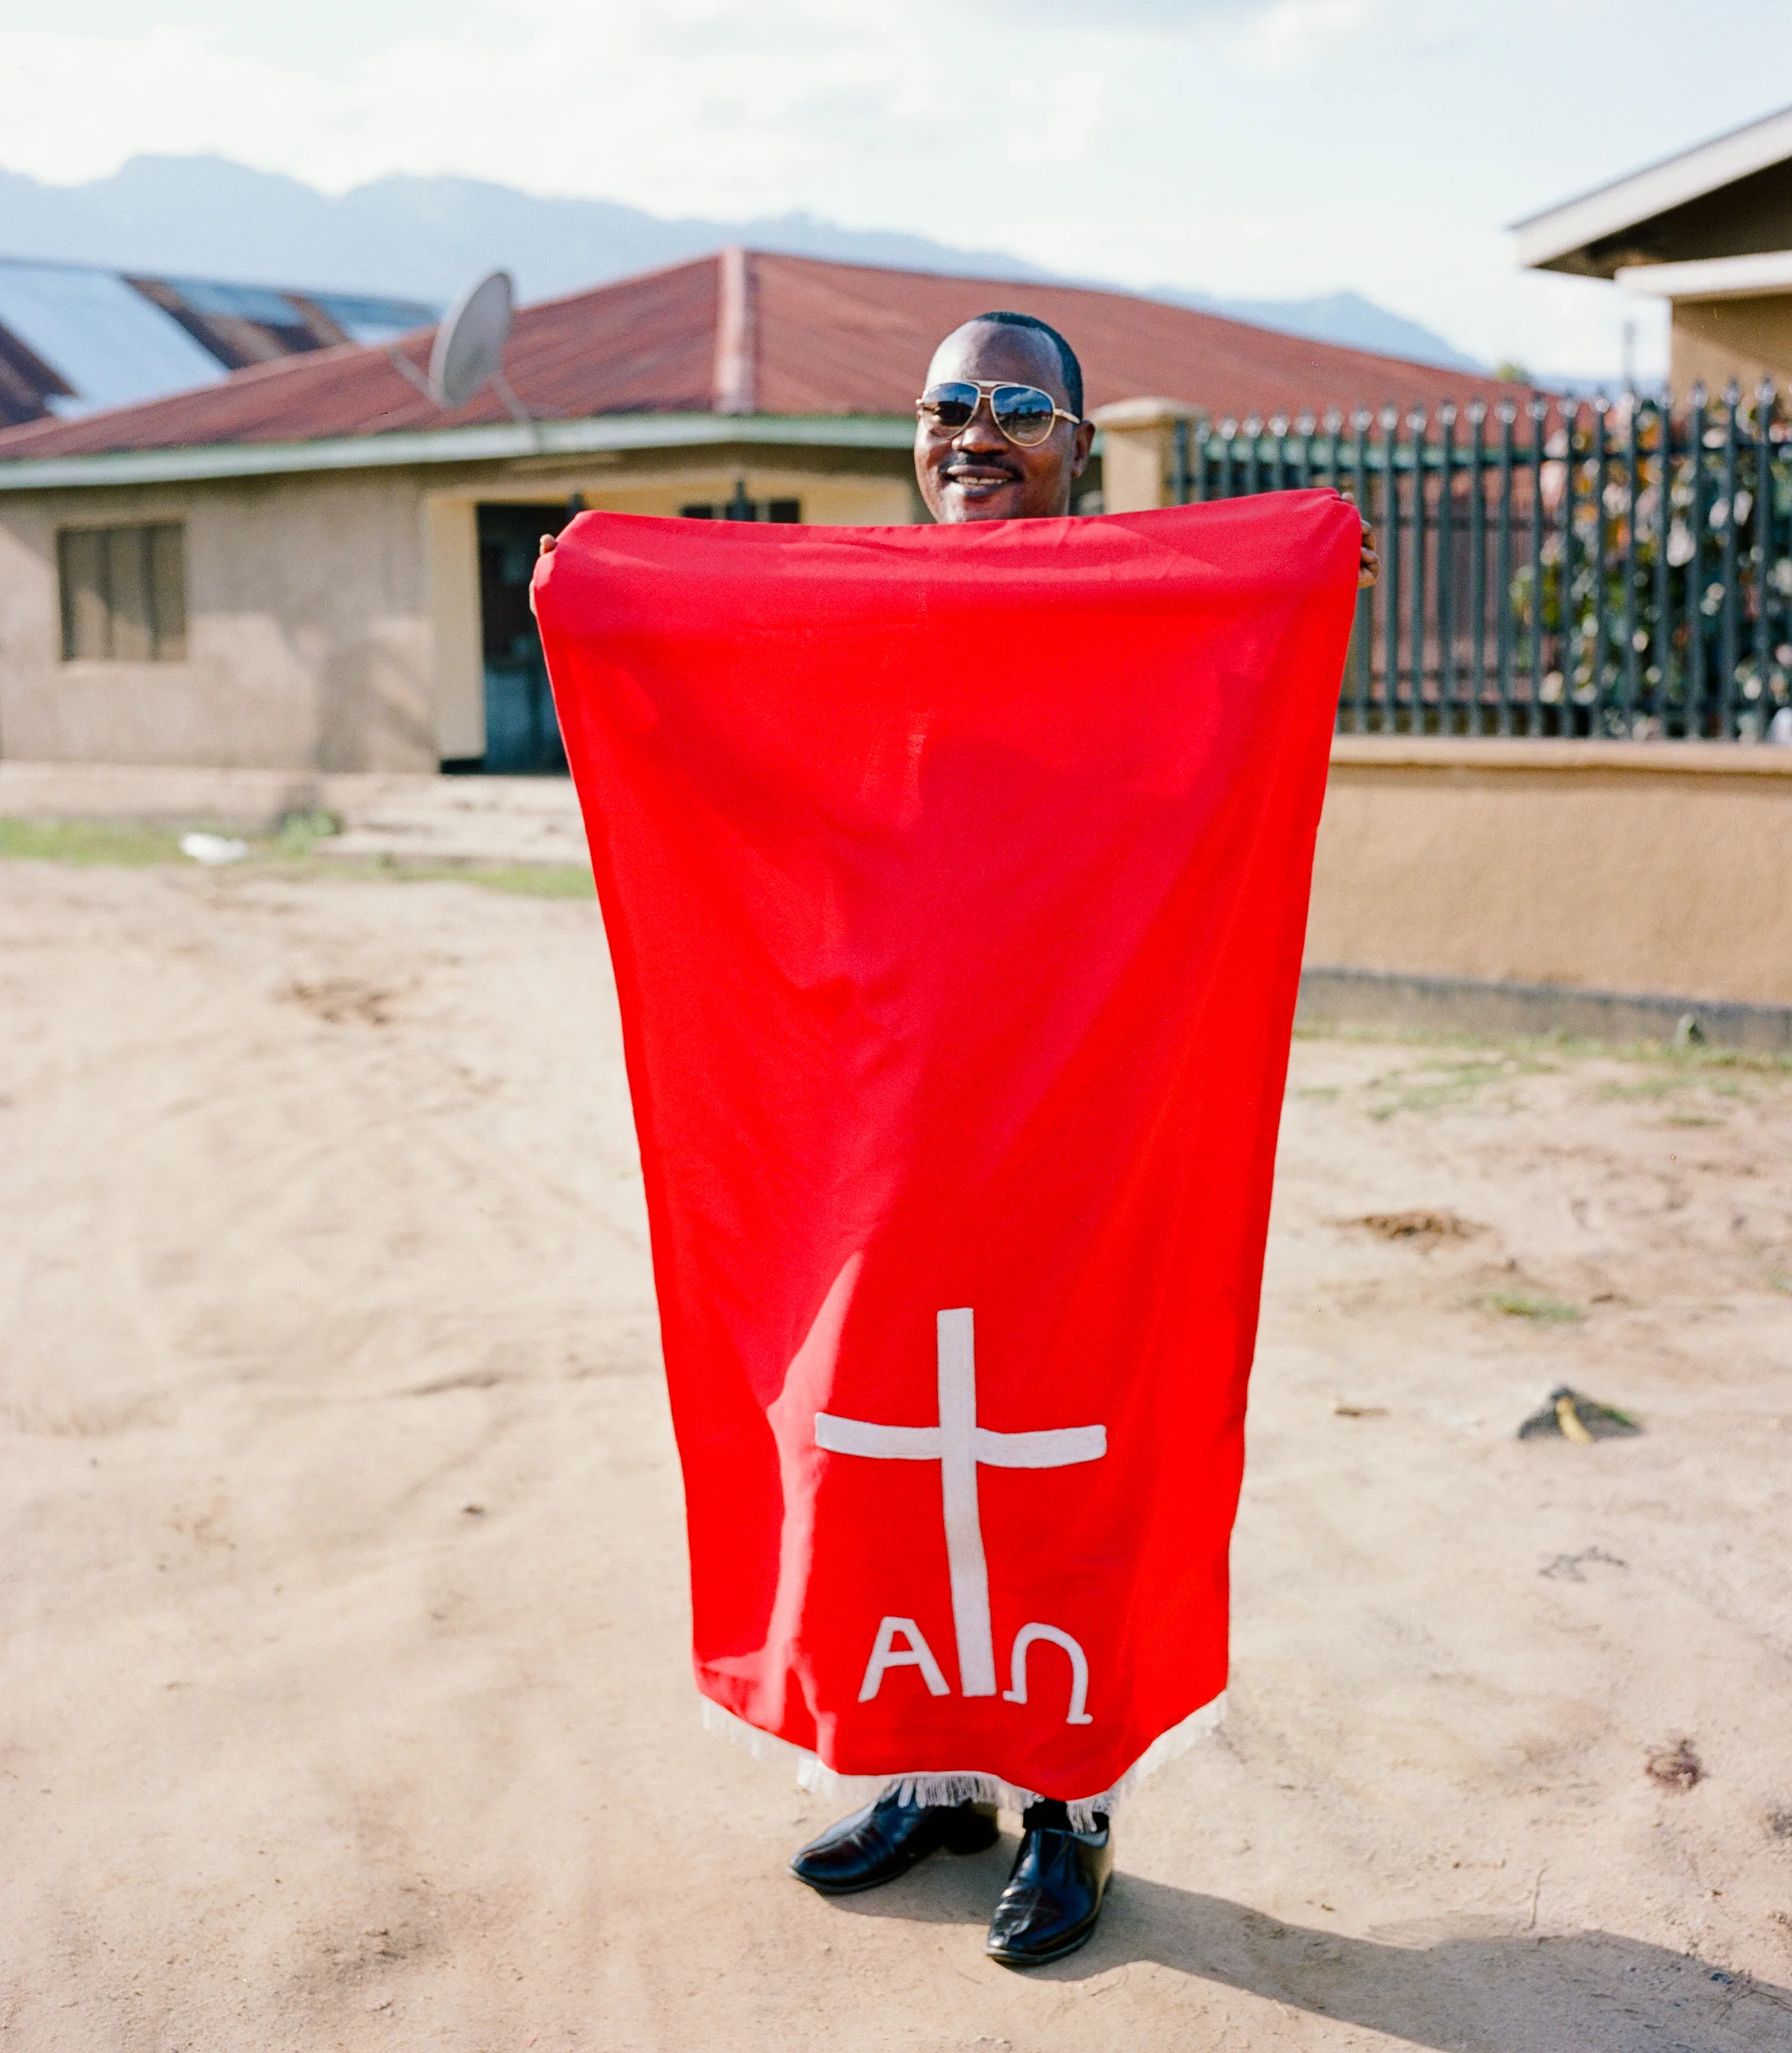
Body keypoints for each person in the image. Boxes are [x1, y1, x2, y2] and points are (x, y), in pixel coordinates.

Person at [540, 310, 1378, 1968]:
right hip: (875, 1108)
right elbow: (731, 728)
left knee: (1069, 1431)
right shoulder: (858, 611)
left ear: (1075, 442)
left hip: (1081, 1105)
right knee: (861, 1435)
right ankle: (928, 1778)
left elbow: (1238, 701)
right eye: (945, 408)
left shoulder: (1139, 620)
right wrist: (604, 596)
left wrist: (1294, 581)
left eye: (1014, 407)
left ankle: (1069, 1804)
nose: (973, 434)